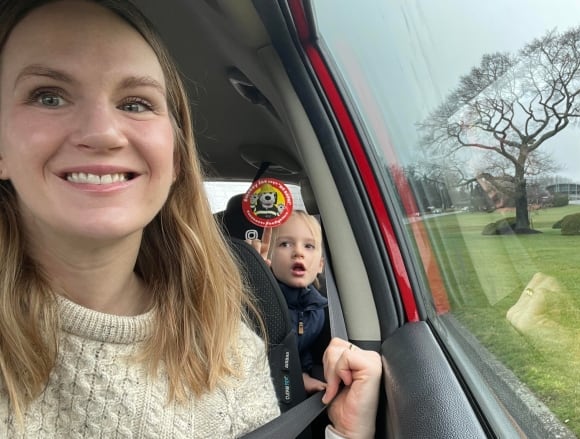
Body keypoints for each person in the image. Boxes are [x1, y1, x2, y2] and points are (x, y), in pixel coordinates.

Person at [0, 1, 381, 438]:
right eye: (48, 96)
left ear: (176, 157)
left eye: (136, 103)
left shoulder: (230, 349)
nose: (102, 132)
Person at [267, 210, 329, 394]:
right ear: (269, 258)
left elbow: (302, 349)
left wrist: (301, 373)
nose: (298, 253)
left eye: (309, 246)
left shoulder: (318, 309)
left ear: (320, 265)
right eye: (285, 244)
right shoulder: (261, 298)